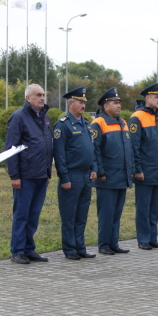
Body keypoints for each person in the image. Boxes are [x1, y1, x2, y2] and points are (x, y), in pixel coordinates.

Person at [6, 84, 52, 264]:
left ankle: (28, 248)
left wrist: (48, 173)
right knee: (22, 214)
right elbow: (11, 148)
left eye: (43, 95)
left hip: (41, 175)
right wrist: (14, 175)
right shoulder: (19, 117)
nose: (42, 98)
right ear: (28, 98)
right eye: (38, 95)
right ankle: (17, 250)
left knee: (33, 215)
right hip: (25, 176)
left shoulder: (45, 118)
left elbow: (47, 145)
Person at [54, 87, 97, 260]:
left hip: (85, 175)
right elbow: (59, 154)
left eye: (85, 102)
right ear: (71, 104)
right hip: (71, 176)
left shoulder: (86, 123)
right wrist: (64, 177)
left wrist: (94, 169)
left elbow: (91, 149)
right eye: (80, 102)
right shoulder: (63, 124)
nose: (83, 105)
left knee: (82, 214)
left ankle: (80, 246)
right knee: (69, 215)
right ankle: (69, 248)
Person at [90, 88, 134, 255]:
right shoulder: (99, 123)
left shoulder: (123, 123)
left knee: (117, 213)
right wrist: (100, 173)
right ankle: (103, 244)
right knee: (106, 214)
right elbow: (95, 150)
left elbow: (129, 149)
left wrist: (131, 170)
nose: (119, 106)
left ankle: (114, 242)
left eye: (119, 103)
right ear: (106, 106)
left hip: (122, 176)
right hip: (107, 177)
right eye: (115, 103)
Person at [129, 82, 158, 250]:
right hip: (145, 170)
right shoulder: (137, 117)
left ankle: (153, 237)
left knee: (154, 208)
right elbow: (134, 146)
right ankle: (143, 239)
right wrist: (137, 169)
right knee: (143, 208)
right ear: (147, 98)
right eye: (156, 97)